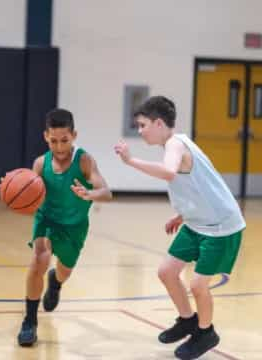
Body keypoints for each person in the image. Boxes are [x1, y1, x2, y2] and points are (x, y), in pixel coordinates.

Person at [114, 96, 245, 360]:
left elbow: (169, 173)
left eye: (142, 125)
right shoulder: (176, 144)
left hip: (221, 226)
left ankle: (206, 333)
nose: (140, 131)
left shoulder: (175, 144)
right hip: (197, 222)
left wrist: (130, 161)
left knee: (198, 285)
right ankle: (187, 320)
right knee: (167, 272)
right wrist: (181, 214)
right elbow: (198, 186)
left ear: (159, 123)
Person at [16, 108, 112, 346]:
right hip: (47, 219)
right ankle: (29, 320)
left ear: (74, 135)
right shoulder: (40, 163)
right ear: (45, 136)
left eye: (64, 140)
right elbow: (27, 189)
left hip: (74, 226)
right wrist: (14, 190)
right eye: (53, 141)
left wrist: (90, 193)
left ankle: (56, 282)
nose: (59, 147)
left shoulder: (84, 160)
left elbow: (107, 192)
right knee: (39, 258)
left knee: (64, 271)